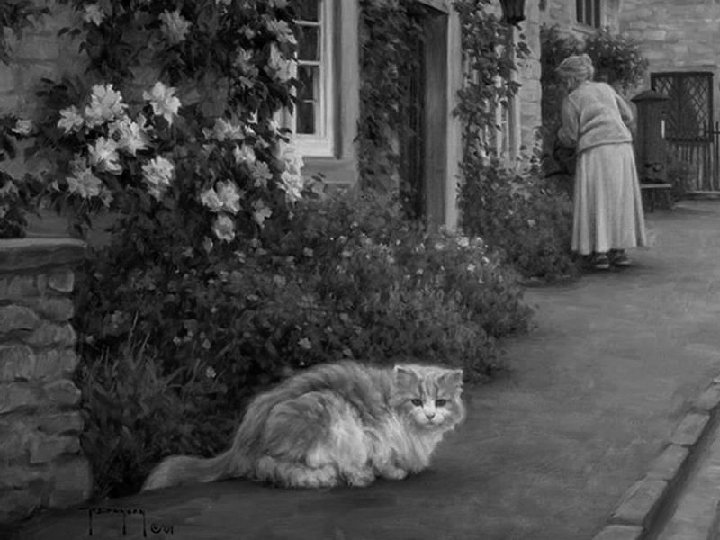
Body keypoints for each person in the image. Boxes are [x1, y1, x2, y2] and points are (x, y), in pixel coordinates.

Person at [556, 53, 646, 270]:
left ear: (570, 79)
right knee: (619, 197)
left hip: (595, 149)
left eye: (563, 80)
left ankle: (600, 253)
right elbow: (629, 116)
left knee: (597, 198)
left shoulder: (572, 99)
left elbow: (571, 135)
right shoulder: (607, 89)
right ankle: (619, 251)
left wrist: (558, 136)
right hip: (621, 146)